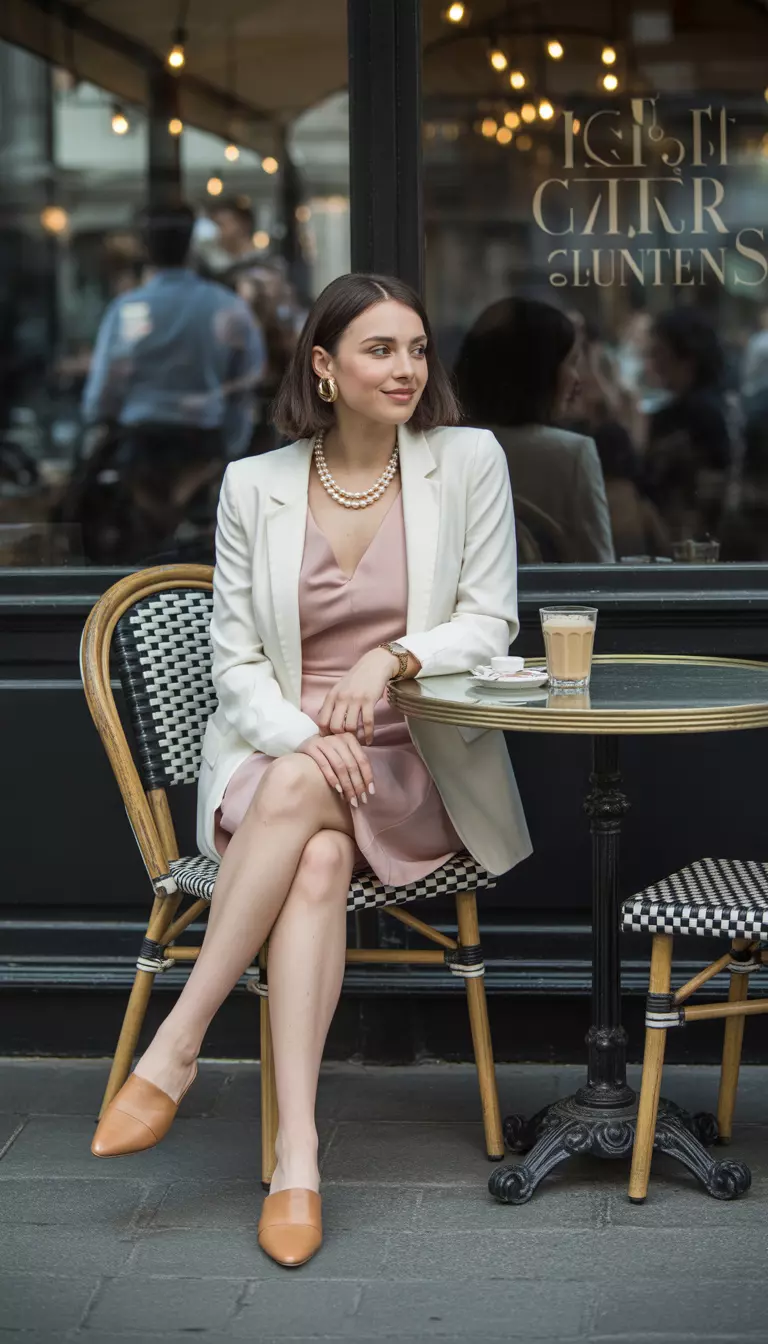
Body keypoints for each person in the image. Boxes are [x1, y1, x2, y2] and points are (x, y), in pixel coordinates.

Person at [90, 272, 532, 1268]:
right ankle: (298, 1161)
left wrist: (388, 659)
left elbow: (490, 618)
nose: (408, 368)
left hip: (414, 757)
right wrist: (302, 733)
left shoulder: (466, 461)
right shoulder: (255, 484)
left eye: (418, 348)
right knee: (316, 855)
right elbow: (235, 662)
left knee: (308, 812)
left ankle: (180, 1042)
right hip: (283, 747)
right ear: (324, 368)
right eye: (381, 350)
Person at [80, 204, 264, 561]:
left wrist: (99, 420)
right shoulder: (224, 305)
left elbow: (104, 389)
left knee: (142, 545)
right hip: (203, 445)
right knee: (199, 548)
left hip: (142, 446)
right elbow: (249, 379)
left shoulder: (130, 308)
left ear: (146, 250)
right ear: (192, 245)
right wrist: (232, 442)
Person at [454, 297, 615, 563]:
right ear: (540, 371)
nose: (576, 378)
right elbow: (599, 568)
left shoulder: (444, 446)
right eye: (571, 362)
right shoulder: (572, 455)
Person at [645, 307, 732, 543]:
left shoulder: (698, 414)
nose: (652, 361)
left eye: (659, 352)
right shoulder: (716, 405)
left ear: (686, 357)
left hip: (689, 542)